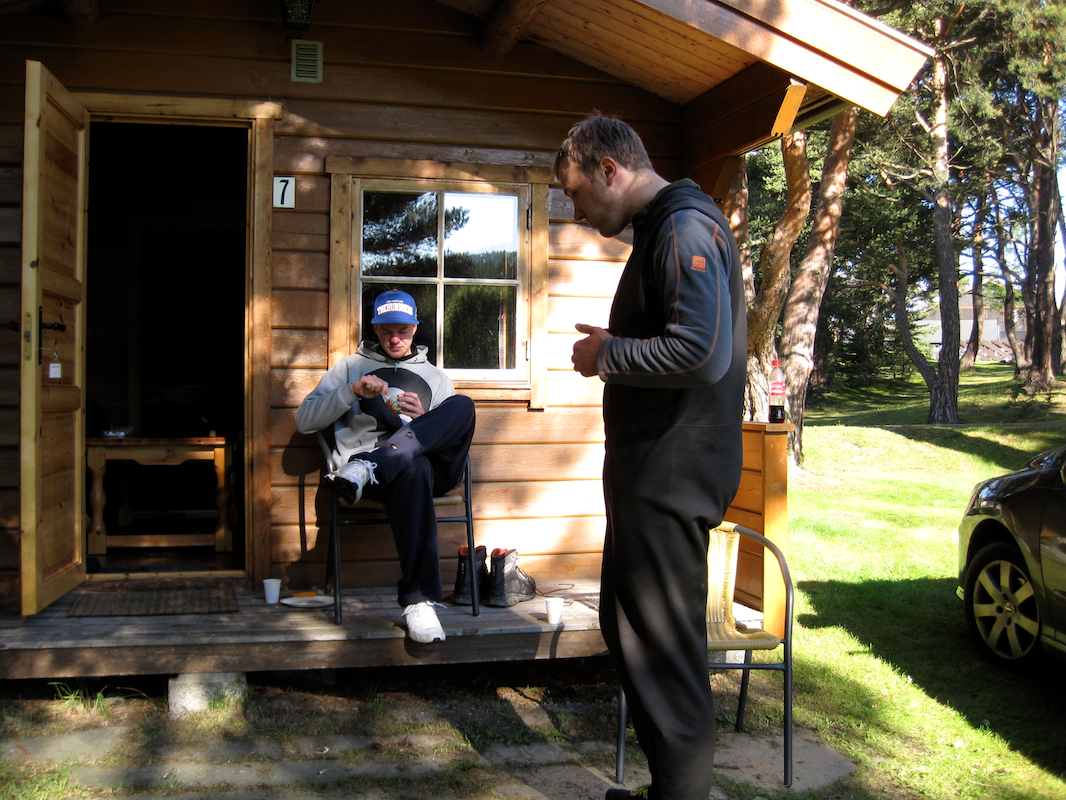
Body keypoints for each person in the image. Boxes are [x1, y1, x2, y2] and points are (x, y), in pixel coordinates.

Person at [555, 114, 747, 800]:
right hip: (657, 472)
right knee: (631, 626)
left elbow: (700, 352)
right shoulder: (665, 227)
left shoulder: (683, 227)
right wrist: (621, 344)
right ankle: (671, 789)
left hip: (673, 472)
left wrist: (608, 355)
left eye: (576, 193)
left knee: (663, 649)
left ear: (609, 170)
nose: (576, 213)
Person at [295, 290, 476, 644]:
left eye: (403, 331)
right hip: (384, 481)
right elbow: (304, 420)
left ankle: (370, 464)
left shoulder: (436, 378)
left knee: (463, 405)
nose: (395, 339)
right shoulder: (350, 368)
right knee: (414, 469)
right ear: (374, 329)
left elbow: (448, 433)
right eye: (386, 331)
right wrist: (351, 392)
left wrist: (422, 420)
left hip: (424, 470)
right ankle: (419, 603)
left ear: (415, 328)